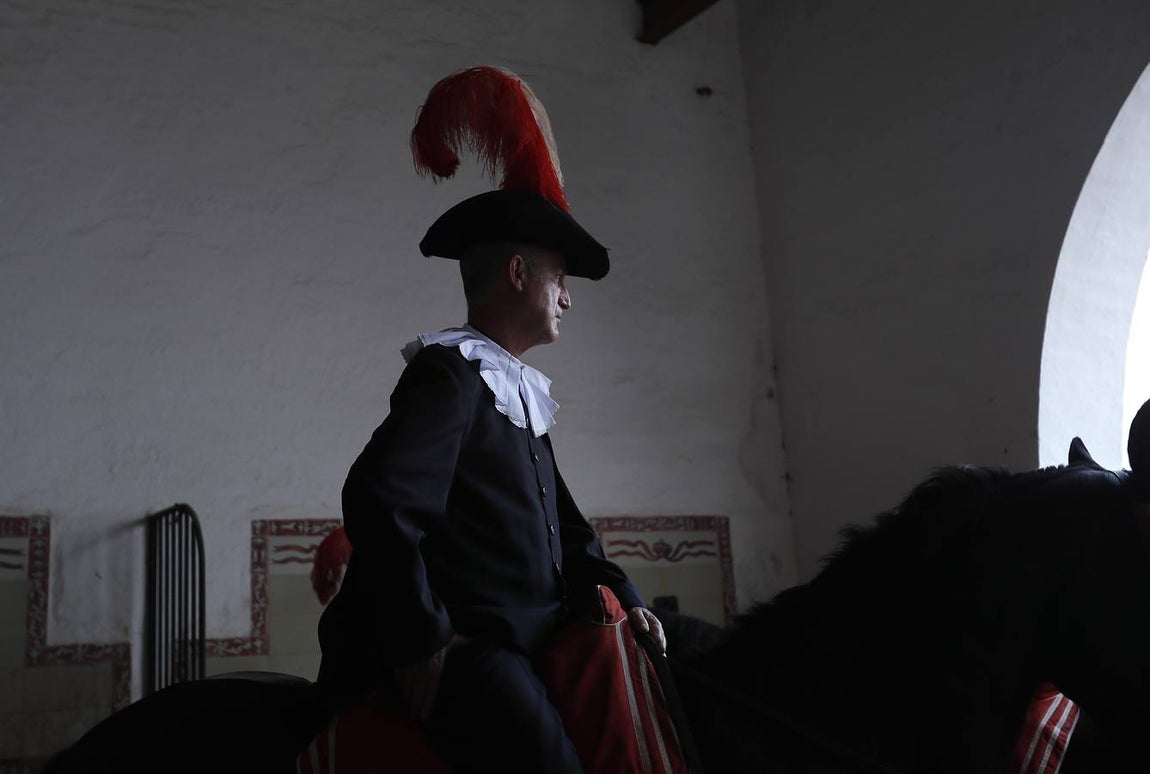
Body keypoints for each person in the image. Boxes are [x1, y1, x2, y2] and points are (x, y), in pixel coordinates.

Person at [316, 67, 666, 774]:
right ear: (516, 274)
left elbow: (565, 528)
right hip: (472, 648)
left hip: (535, 635)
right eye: (559, 282)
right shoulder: (449, 373)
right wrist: (424, 641)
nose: (567, 301)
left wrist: (626, 597)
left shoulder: (516, 389)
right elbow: (379, 502)